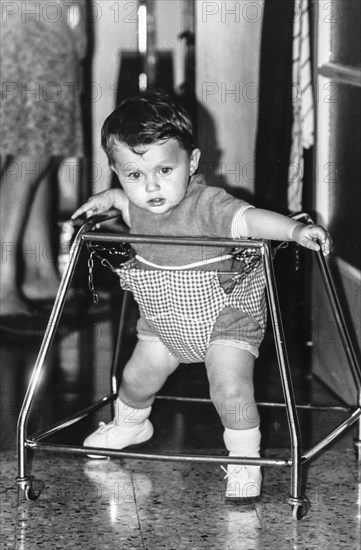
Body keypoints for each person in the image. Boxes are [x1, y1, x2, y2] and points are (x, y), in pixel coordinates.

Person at [71, 91, 331, 500]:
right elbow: (124, 201)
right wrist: (110, 198)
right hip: (164, 322)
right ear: (117, 172)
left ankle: (246, 459)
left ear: (191, 163)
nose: (151, 186)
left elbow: (250, 219)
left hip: (224, 319)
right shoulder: (135, 203)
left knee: (229, 389)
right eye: (134, 175)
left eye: (165, 170)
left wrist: (295, 232)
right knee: (136, 379)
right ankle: (131, 424)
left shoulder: (208, 204)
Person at [0, 1, 86, 321]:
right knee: (35, 150)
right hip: (29, 22)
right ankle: (3, 283)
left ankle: (39, 274)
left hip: (38, 20)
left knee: (41, 150)